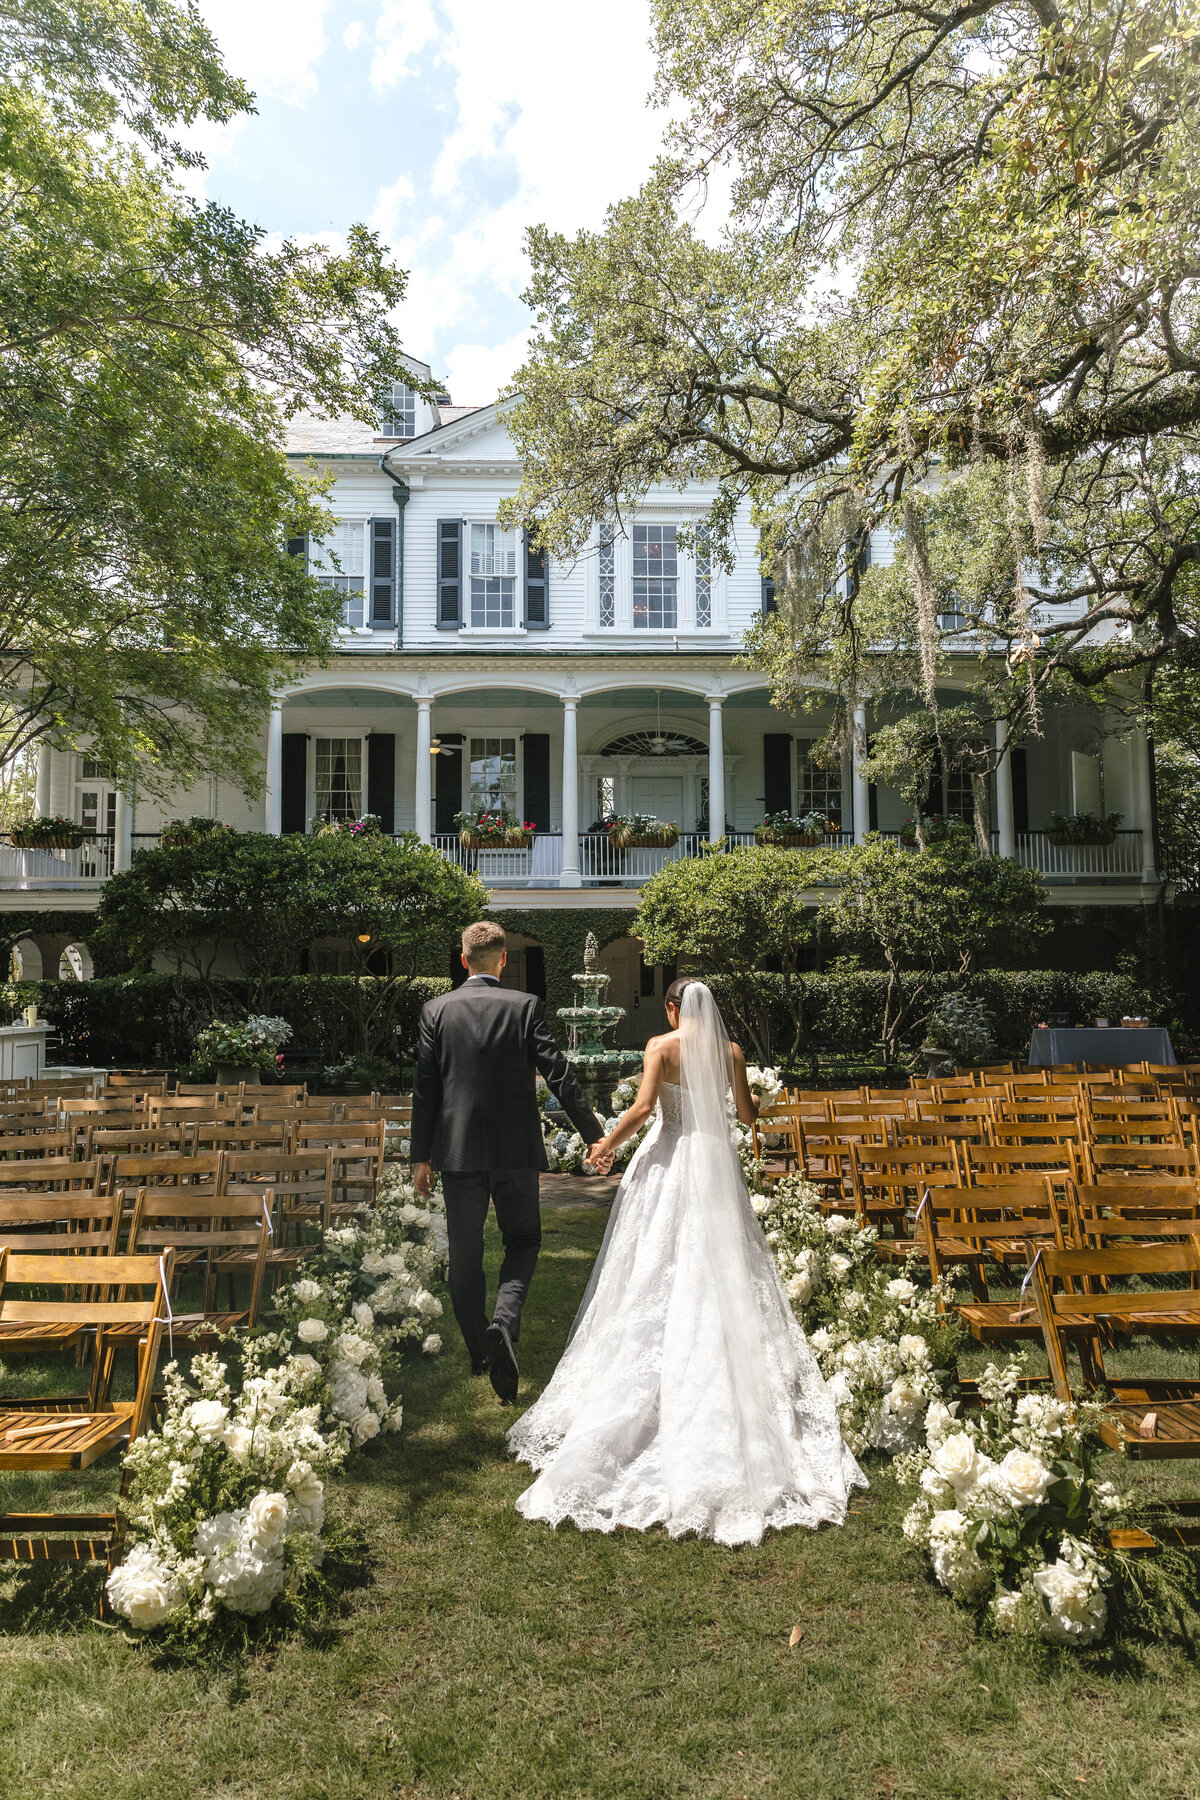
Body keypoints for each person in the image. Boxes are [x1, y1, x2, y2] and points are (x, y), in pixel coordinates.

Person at [506, 976, 866, 1544]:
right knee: (722, 1265)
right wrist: (755, 1102)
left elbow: (646, 1107)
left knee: (650, 1264)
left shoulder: (661, 1047)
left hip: (670, 1163)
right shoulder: (732, 1053)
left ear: (673, 1009)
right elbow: (747, 1117)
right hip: (714, 1163)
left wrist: (605, 1146)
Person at [411, 920, 610, 1403]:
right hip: (515, 1149)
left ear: (464, 961)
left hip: (457, 1153)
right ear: (503, 959)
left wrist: (420, 1157)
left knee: (465, 1252)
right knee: (523, 1238)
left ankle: (482, 1350)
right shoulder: (525, 1006)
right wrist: (594, 1134)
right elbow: (559, 1075)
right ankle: (504, 1320)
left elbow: (425, 1090)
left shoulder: (435, 1010)